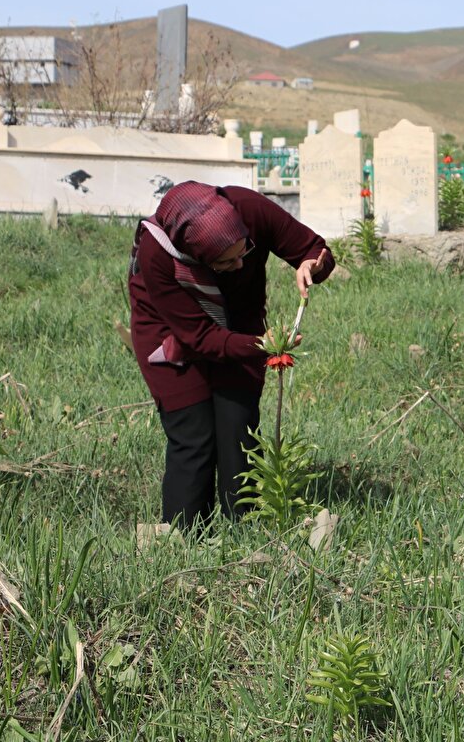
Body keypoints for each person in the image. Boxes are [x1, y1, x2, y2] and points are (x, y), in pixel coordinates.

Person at [128, 181, 334, 527]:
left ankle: (243, 529)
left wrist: (310, 265)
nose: (241, 265)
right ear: (199, 258)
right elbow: (200, 337)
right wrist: (263, 345)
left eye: (245, 252)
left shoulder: (250, 209)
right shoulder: (157, 253)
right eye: (226, 262)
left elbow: (315, 248)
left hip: (240, 322)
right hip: (171, 331)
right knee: (194, 435)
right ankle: (183, 538)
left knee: (238, 427)